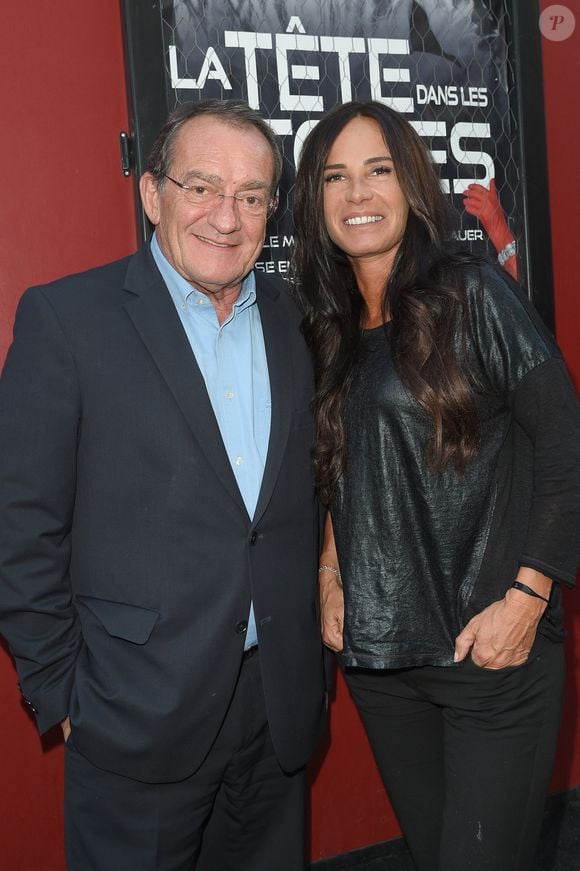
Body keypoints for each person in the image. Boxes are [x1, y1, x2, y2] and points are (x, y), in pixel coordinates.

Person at [0, 99, 326, 871]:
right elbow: (19, 523)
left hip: (275, 707)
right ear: (152, 194)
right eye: (201, 186)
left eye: (251, 195)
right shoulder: (67, 319)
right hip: (134, 713)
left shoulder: (293, 319)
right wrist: (63, 693)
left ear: (271, 209)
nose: (226, 215)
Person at [292, 100, 580, 871]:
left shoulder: (475, 291)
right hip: (383, 664)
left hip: (489, 655)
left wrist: (528, 598)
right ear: (314, 203)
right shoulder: (326, 324)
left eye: (377, 171)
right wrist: (329, 569)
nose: (358, 195)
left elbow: (565, 447)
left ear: (411, 182)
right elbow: (343, 463)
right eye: (335, 177)